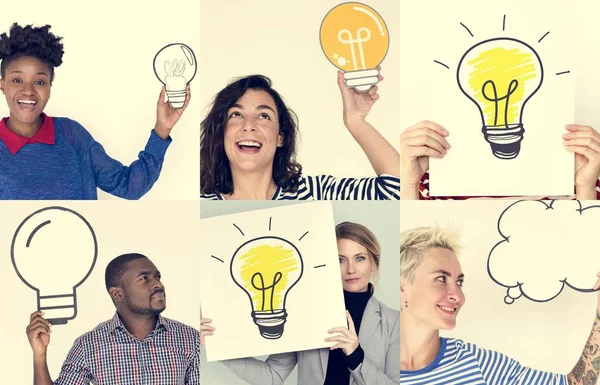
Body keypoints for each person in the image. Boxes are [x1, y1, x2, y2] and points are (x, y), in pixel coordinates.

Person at [201, 222, 399, 385]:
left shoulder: (393, 321)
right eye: (340, 259)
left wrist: (356, 355)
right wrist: (219, 347)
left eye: (360, 258)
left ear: (374, 262)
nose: (351, 269)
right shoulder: (306, 311)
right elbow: (271, 376)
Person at [400, 226, 600, 385]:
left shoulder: (476, 361)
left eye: (459, 282)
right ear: (401, 288)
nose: (459, 297)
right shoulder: (370, 367)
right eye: (441, 279)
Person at [0, 23, 190, 200]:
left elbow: (129, 186)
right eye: (17, 80)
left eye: (39, 82)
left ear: (50, 86)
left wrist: (162, 129)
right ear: (2, 85)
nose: (28, 90)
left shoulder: (71, 135)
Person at [26, 253, 199, 385]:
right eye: (144, 278)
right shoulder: (89, 345)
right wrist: (39, 356)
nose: (158, 284)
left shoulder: (189, 339)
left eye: (157, 277)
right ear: (117, 293)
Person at [200, 73, 399, 200]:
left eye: (263, 116)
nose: (249, 126)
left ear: (281, 137)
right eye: (236, 114)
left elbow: (398, 190)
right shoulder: (200, 205)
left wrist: (356, 121)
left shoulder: (317, 193)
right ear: (221, 132)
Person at [400, 120, 600, 200]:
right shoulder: (429, 182)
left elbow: (588, 260)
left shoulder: (580, 176)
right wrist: (409, 182)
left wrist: (585, 188)